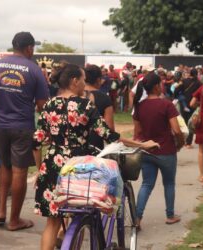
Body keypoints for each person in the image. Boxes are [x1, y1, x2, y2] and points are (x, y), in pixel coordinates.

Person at [33, 64, 159, 250]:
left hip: (52, 165)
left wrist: (39, 169)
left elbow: (36, 142)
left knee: (52, 223)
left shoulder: (50, 105)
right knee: (80, 214)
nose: (85, 84)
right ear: (75, 81)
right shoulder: (85, 106)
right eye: (83, 80)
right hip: (79, 167)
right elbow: (109, 135)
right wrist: (142, 144)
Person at [0, 31, 50, 231]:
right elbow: (43, 105)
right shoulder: (34, 70)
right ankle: (15, 220)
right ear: (29, 48)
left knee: (5, 168)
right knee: (19, 171)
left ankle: (0, 211)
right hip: (22, 127)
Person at [132, 71, 185, 229]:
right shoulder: (167, 104)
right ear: (156, 86)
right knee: (169, 183)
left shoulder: (139, 107)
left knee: (147, 184)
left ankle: (137, 218)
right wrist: (180, 143)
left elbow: (137, 134)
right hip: (166, 151)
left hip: (147, 151)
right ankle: (170, 215)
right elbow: (176, 130)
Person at [84, 64, 115, 150]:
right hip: (95, 146)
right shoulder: (104, 98)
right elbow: (110, 129)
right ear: (98, 80)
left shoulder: (75, 96)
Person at [173, 68, 202, 148]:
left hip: (184, 103)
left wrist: (176, 97)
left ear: (190, 74)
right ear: (197, 74)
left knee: (184, 121)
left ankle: (183, 140)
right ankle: (188, 143)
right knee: (191, 122)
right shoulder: (199, 83)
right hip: (193, 103)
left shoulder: (184, 81)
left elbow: (176, 90)